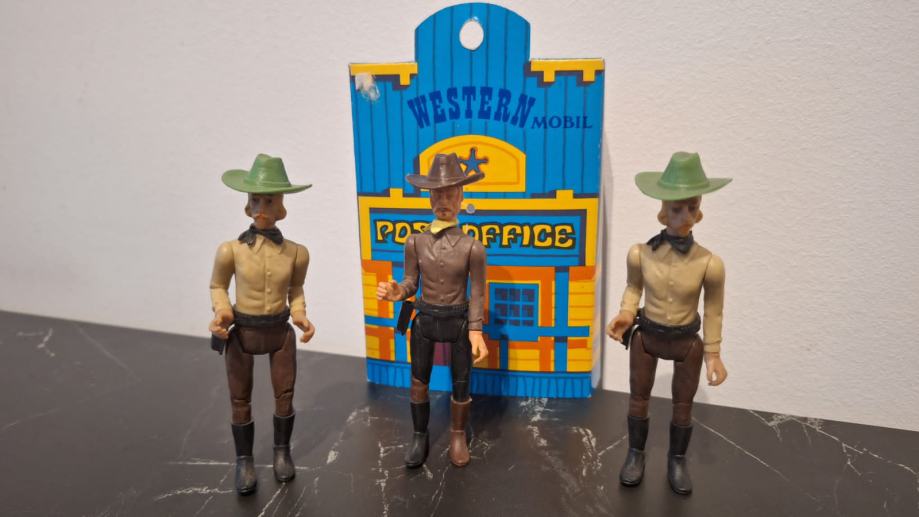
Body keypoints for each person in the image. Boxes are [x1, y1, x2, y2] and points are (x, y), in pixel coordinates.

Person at [607, 151, 730, 495]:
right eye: (677, 208)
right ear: (663, 210)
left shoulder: (710, 263)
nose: (685, 216)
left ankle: (677, 459)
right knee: (638, 397)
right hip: (647, 336)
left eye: (692, 207)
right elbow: (633, 288)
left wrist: (713, 354)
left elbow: (714, 310)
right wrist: (626, 314)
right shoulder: (641, 253)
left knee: (683, 405)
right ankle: (636, 453)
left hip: (686, 342)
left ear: (700, 210)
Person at [208, 154, 316, 495]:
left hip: (279, 332)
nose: (261, 208)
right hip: (243, 332)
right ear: (247, 206)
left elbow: (296, 289)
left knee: (285, 395)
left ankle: (282, 452)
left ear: (282, 208)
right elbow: (217, 286)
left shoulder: (297, 253)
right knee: (240, 399)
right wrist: (222, 312)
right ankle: (244, 460)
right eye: (255, 200)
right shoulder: (230, 251)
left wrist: (300, 314)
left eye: (269, 201)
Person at [377, 153, 489, 469]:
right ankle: (419, 434)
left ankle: (457, 435)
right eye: (437, 194)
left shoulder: (473, 248)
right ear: (428, 197)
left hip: (458, 322)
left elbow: (478, 291)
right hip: (425, 321)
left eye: (450, 193)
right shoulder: (415, 243)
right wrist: (398, 292)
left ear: (461, 196)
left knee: (461, 383)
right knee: (418, 380)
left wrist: (476, 330)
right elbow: (410, 281)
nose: (443, 201)